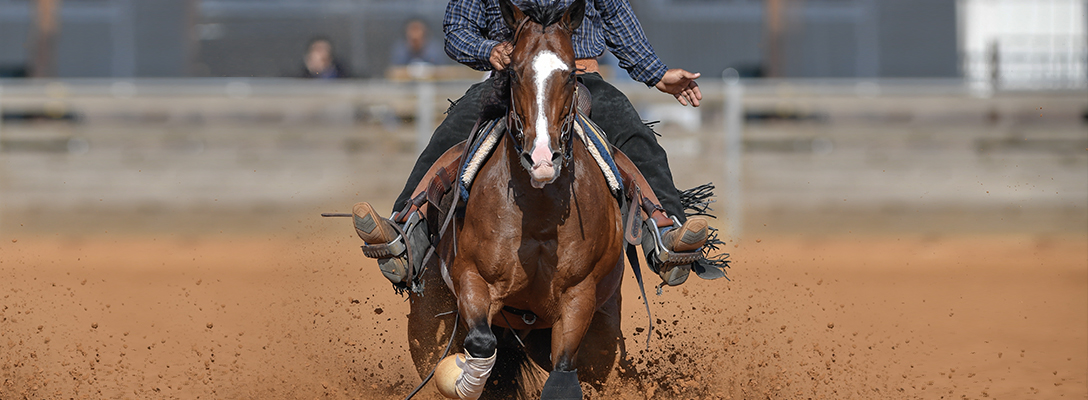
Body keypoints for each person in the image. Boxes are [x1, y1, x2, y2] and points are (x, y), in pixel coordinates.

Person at [353, 0, 708, 287]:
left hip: (575, 77)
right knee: (450, 134)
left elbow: (617, 17)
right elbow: (457, 31)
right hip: (514, 79)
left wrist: (657, 73)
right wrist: (489, 49)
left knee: (635, 136)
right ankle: (406, 232)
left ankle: (665, 234)